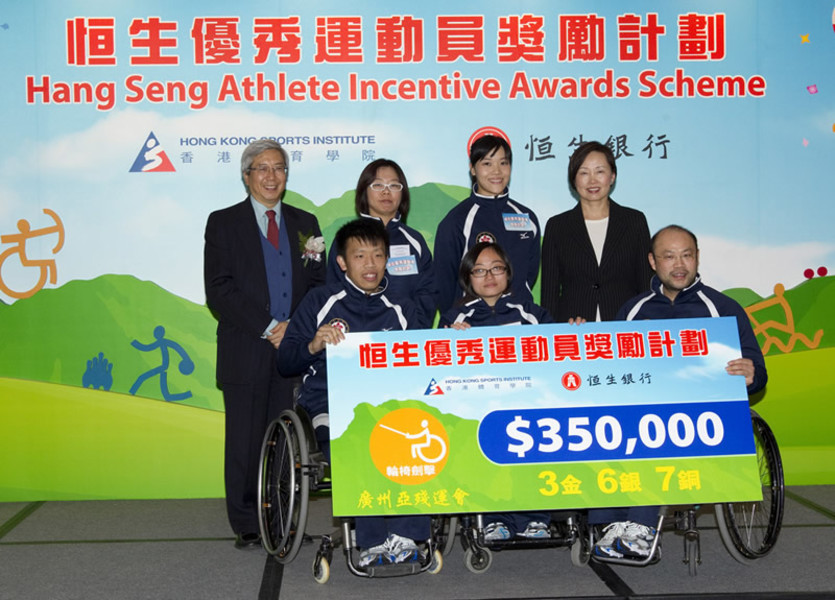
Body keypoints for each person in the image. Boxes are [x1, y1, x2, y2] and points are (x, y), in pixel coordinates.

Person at [591, 224, 768, 561]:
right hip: (643, 412)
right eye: (669, 256)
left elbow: (758, 371)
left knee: (659, 426)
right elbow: (608, 370)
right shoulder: (632, 311)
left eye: (687, 255)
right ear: (653, 262)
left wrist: (751, 373)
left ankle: (640, 524)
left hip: (702, 420)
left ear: (698, 258)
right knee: (603, 421)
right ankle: (610, 523)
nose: (679, 264)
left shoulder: (722, 308)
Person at [278, 218, 431, 568]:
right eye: (360, 256)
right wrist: (314, 343)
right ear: (343, 262)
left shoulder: (402, 307)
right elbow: (286, 361)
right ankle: (374, 541)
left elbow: (421, 361)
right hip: (328, 400)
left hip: (386, 403)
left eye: (378, 255)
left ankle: (406, 534)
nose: (371, 264)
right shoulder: (321, 300)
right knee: (357, 441)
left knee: (415, 435)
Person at [204, 139, 325, 549]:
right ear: (246, 176)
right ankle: (248, 524)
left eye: (279, 168)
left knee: (289, 443)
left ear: (287, 176)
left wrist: (295, 328)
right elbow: (219, 290)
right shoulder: (222, 223)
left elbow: (319, 286)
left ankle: (286, 520)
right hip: (246, 348)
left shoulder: (306, 223)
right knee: (245, 441)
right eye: (262, 168)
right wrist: (271, 325)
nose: (272, 176)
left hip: (293, 351)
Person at [439, 241, 553, 540]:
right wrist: (450, 340)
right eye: (479, 270)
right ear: (468, 277)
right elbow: (436, 369)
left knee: (535, 433)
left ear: (508, 273)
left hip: (526, 403)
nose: (489, 276)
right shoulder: (455, 318)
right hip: (476, 407)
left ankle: (534, 517)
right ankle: (493, 518)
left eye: (496, 268)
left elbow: (558, 353)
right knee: (481, 437)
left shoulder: (531, 314)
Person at [541, 141, 652, 323]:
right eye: (584, 173)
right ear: (573, 180)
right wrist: (551, 332)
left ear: (612, 176)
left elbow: (646, 282)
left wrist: (646, 319)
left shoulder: (634, 221)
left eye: (600, 171)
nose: (592, 180)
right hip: (574, 327)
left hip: (625, 325)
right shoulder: (557, 226)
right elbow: (550, 292)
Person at [434, 133, 541, 315]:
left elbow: (528, 276)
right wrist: (456, 318)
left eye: (503, 163)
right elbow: (443, 285)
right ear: (473, 169)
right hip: (473, 325)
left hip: (520, 322)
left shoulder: (527, 218)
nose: (497, 171)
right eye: (487, 163)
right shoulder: (456, 221)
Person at [327, 158, 436, 328]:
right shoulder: (348, 239)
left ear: (403, 193)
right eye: (378, 185)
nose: (386, 192)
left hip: (407, 338)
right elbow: (334, 291)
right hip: (358, 338)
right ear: (364, 191)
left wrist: (416, 330)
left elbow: (428, 292)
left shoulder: (415, 241)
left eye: (394, 186)